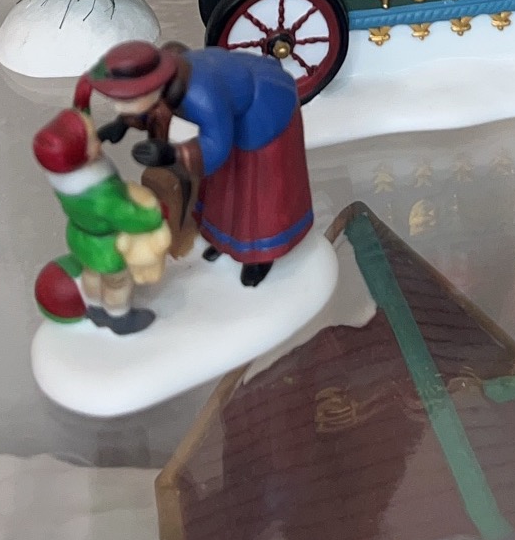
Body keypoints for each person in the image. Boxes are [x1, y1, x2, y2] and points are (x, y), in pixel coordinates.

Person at [82, 41, 314, 285]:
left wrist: (173, 154)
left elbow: (216, 146)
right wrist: (123, 123)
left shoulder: (201, 96)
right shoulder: (169, 79)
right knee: (224, 182)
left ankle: (260, 252)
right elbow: (148, 104)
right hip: (233, 106)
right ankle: (225, 238)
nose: (120, 106)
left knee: (258, 184)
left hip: (265, 106)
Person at [32, 107, 171, 333]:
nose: (99, 141)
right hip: (106, 248)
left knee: (91, 272)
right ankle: (119, 317)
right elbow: (128, 216)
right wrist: (154, 214)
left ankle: (95, 306)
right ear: (78, 155)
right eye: (92, 141)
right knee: (117, 282)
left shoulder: (66, 181)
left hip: (80, 237)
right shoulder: (100, 193)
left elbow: (81, 113)